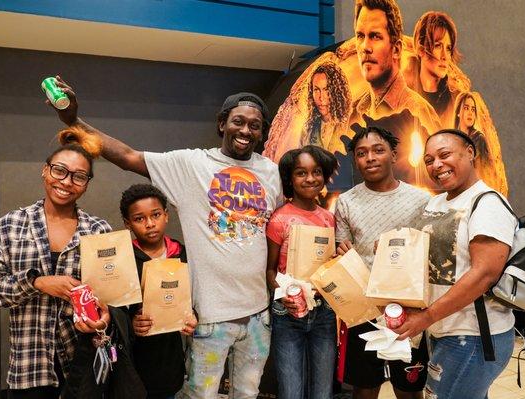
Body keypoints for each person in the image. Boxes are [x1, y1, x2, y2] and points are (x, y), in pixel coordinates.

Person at [46, 76, 283, 398]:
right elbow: (128, 156)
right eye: (238, 122)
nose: (245, 131)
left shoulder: (270, 172)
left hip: (258, 314)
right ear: (222, 124)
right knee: (202, 394)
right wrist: (73, 120)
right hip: (211, 316)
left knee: (248, 392)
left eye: (254, 126)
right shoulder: (191, 164)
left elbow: (275, 229)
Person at [0, 143, 112, 398]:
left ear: (86, 183)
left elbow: (109, 295)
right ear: (45, 171)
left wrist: (104, 318)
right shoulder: (11, 225)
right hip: (30, 365)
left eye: (79, 176)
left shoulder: (98, 230)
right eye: (59, 170)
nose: (66, 181)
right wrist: (37, 283)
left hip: (82, 362)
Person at [394, 129, 517, 398]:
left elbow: (484, 274)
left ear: (470, 152)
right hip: (443, 329)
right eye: (428, 160)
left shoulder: (487, 203)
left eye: (444, 155)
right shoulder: (436, 201)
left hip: (473, 335)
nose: (436, 165)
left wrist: (426, 317)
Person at [335, 125, 430, 399]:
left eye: (378, 150)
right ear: (355, 160)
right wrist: (341, 253)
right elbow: (342, 251)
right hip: (363, 306)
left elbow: (428, 252)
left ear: (394, 155)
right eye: (362, 153)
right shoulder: (346, 202)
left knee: (409, 386)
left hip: (409, 308)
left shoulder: (421, 200)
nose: (370, 158)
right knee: (364, 387)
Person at [265, 145, 339, 399]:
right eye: (301, 173)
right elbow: (270, 270)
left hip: (324, 311)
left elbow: (330, 265)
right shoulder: (279, 220)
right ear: (290, 178)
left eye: (316, 172)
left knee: (322, 391)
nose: (310, 179)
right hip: (288, 312)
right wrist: (283, 294)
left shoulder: (329, 219)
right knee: (291, 390)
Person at [349, 0, 441, 190]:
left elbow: (439, 181)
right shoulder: (354, 111)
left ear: (397, 49)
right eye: (360, 36)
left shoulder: (418, 112)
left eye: (375, 36)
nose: (365, 47)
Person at [119, 184, 197, 399]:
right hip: (132, 363)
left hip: (168, 361)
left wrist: (191, 317)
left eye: (155, 215)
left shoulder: (180, 253)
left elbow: (191, 298)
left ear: (166, 215)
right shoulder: (124, 258)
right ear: (128, 223)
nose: (150, 224)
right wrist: (130, 323)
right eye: (139, 219)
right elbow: (112, 307)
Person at [409, 11, 462, 128]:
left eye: (448, 48)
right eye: (438, 46)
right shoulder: (404, 95)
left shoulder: (455, 101)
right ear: (421, 49)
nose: (444, 56)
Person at [454, 92, 490, 164]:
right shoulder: (452, 140)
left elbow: (485, 170)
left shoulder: (479, 139)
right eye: (466, 108)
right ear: (458, 112)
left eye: (473, 110)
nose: (470, 113)